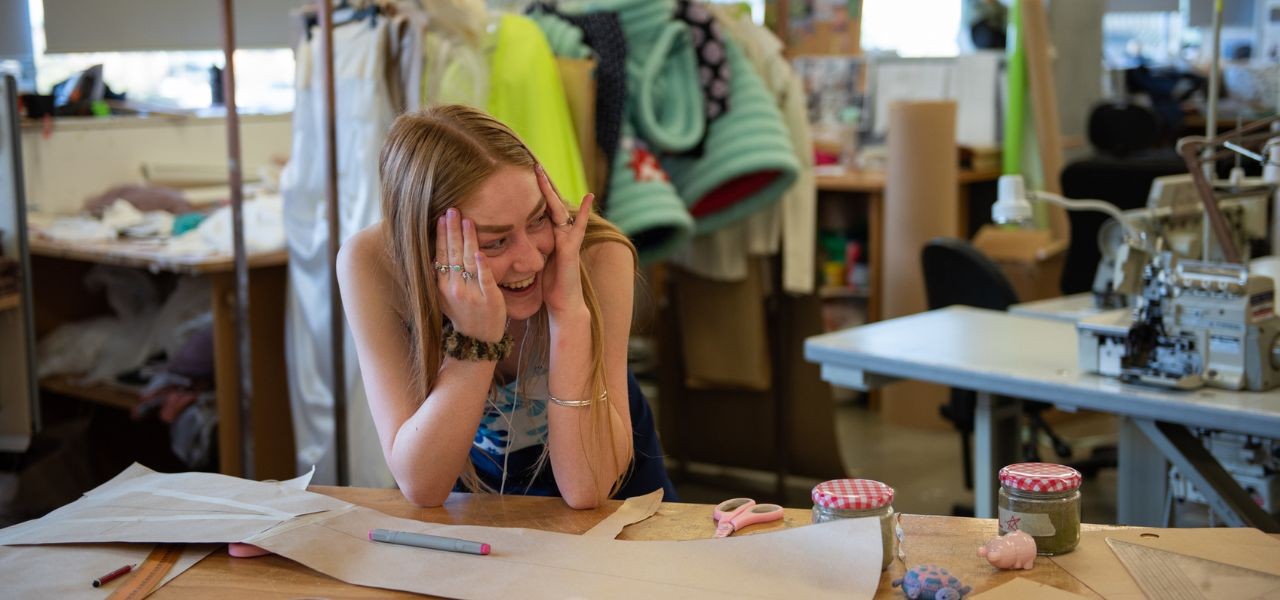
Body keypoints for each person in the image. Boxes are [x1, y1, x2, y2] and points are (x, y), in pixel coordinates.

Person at [338, 105, 676, 508]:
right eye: (495, 242)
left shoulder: (597, 255)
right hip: (480, 505)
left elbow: (588, 489)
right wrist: (475, 340)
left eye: (537, 220)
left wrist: (568, 314)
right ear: (426, 247)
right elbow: (422, 486)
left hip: (616, 499)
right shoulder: (372, 265)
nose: (531, 260)